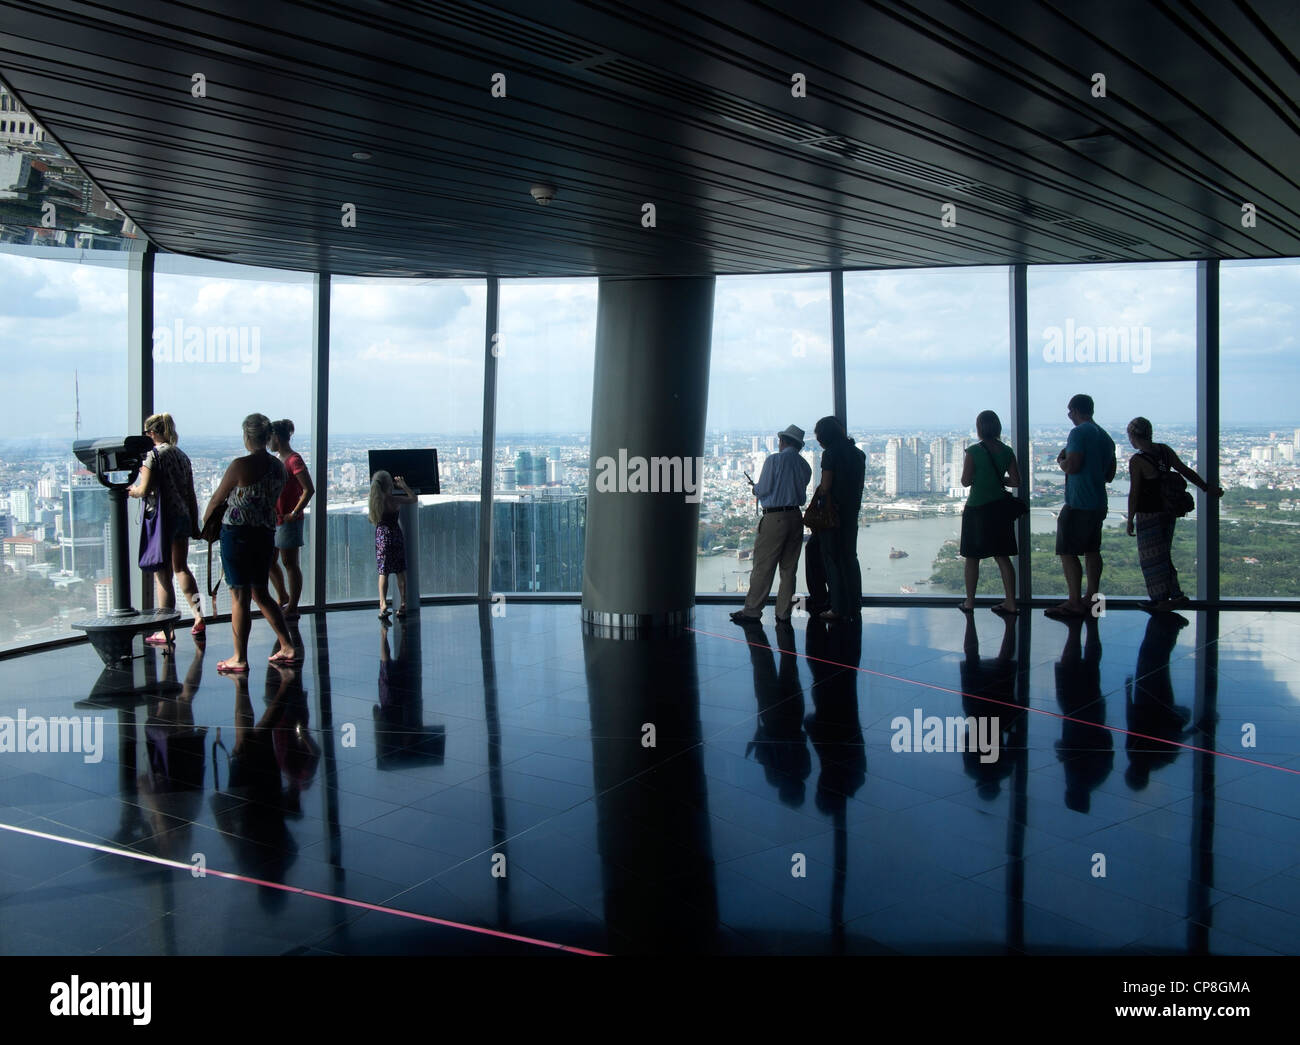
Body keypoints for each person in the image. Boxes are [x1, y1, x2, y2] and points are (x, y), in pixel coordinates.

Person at [203, 413, 296, 673]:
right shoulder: (278, 466)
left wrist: (205, 525)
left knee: (239, 596)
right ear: (268, 437)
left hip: (237, 534)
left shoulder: (239, 465)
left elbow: (216, 499)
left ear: (247, 436)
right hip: (265, 534)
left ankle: (239, 657)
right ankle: (287, 645)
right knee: (261, 592)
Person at [1124, 416, 1221, 611]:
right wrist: (1205, 487)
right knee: (1164, 554)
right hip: (1168, 511)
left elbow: (1134, 492)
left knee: (1150, 558)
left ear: (1134, 436)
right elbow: (1184, 471)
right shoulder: (1164, 451)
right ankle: (1175, 594)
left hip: (1148, 513)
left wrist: (1130, 518)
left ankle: (1159, 599)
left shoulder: (1138, 460)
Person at [127, 412, 205, 645]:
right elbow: (190, 493)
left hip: (162, 520)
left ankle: (166, 628)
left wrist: (130, 490)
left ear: (151, 432)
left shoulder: (152, 456)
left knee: (163, 575)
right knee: (181, 569)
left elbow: (144, 489)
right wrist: (194, 521)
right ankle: (199, 615)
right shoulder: (182, 456)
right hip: (181, 516)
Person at [731, 424, 812, 625]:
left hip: (774, 519)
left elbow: (764, 489)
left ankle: (752, 611)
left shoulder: (774, 460)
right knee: (789, 569)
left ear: (783, 441)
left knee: (763, 567)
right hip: (795, 518)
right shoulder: (805, 466)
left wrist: (755, 489)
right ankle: (784, 613)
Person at [1047, 393, 1116, 618]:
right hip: (1098, 502)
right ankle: (1092, 598)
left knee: (1067, 551)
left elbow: (1072, 466)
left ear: (1076, 411)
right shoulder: (1105, 437)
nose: (1069, 417)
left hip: (1078, 502)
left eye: (1070, 412)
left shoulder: (1078, 433)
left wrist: (1060, 461)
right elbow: (1110, 474)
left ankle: (1074, 601)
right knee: (1092, 550)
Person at [958, 409, 1022, 616]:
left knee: (972, 558)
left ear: (979, 429)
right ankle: (1011, 602)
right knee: (1002, 557)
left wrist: (982, 478)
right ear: (997, 428)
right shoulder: (1007, 451)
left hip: (976, 509)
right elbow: (1015, 481)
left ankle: (970, 602)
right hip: (999, 510)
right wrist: (998, 481)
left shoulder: (974, 452)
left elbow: (965, 481)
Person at [810, 416, 866, 623]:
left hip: (832, 515)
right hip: (851, 513)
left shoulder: (830, 454)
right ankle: (854, 603)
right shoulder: (858, 454)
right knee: (850, 558)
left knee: (832, 559)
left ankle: (837, 607)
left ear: (824, 436)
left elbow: (825, 487)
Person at [267, 419, 313, 621]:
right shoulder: (279, 459)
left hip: (287, 519)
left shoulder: (293, 460)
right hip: (276, 518)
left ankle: (292, 605)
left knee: (289, 562)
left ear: (276, 437)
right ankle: (284, 596)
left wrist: (294, 513)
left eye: (270, 438)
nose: (268, 442)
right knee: (270, 560)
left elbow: (309, 489)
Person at [369, 470, 417, 619]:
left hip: (382, 537)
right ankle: (403, 603)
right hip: (395, 534)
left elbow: (373, 520)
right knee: (400, 570)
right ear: (389, 484)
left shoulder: (375, 502)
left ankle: (383, 604)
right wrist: (403, 486)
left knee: (383, 572)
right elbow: (413, 499)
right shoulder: (394, 500)